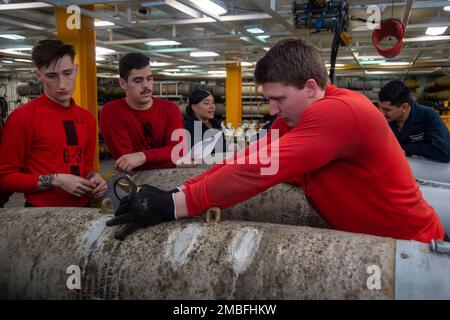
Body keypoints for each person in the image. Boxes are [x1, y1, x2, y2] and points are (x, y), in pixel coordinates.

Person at [105, 38, 446, 243]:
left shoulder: (341, 111)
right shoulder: (292, 118)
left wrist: (176, 207)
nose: (272, 109)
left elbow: (259, 171)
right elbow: (249, 157)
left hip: (410, 248)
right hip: (371, 241)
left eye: (279, 98)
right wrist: (175, 193)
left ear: (310, 87)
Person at [0, 40, 107, 207]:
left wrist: (93, 177)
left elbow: (84, 165)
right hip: (41, 213)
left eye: (67, 73)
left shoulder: (86, 118)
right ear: (39, 76)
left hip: (84, 209)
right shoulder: (22, 118)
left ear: (76, 70)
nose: (62, 84)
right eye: (52, 76)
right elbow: (5, 178)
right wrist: (56, 180)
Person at [100, 53, 185, 173]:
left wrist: (141, 157)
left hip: (171, 179)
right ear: (123, 83)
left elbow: (179, 151)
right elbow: (127, 163)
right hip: (134, 183)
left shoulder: (170, 109)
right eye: (138, 80)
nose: (146, 85)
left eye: (149, 79)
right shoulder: (111, 112)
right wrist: (173, 162)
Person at [378, 80, 450, 163]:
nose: (381, 113)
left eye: (387, 110)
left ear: (404, 107)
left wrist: (404, 148)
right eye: (379, 107)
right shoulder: (383, 118)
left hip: (424, 172)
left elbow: (443, 152)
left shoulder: (429, 116)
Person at [184, 89, 225, 153]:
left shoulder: (216, 123)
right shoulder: (190, 127)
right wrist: (227, 147)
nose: (212, 106)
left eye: (213, 102)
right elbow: (201, 151)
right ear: (194, 107)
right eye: (206, 103)